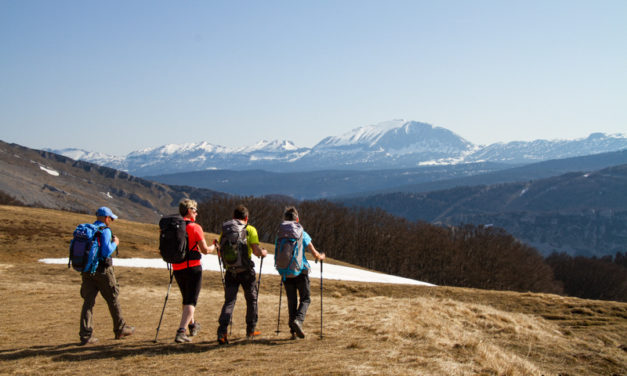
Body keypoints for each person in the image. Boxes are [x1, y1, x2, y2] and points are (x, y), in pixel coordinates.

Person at [79, 207, 134, 345]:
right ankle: (120, 329)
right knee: (112, 298)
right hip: (102, 270)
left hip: (87, 271)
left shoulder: (88, 230)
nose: (111, 221)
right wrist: (115, 243)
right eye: (111, 218)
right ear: (106, 218)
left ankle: (86, 335)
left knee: (88, 303)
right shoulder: (105, 231)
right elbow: (105, 252)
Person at [217, 204, 267, 344]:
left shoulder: (226, 230)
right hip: (246, 271)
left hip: (230, 271)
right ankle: (250, 329)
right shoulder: (250, 229)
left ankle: (222, 332)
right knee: (251, 299)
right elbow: (256, 252)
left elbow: (221, 249)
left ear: (233, 217)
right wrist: (263, 253)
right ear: (246, 218)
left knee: (229, 301)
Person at [172, 199, 217, 343]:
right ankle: (181, 331)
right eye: (195, 210)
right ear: (190, 211)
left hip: (177, 267)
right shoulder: (195, 227)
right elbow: (205, 250)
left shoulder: (174, 226)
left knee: (186, 298)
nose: (197, 213)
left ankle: (192, 325)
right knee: (191, 301)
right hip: (193, 267)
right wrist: (214, 246)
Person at [278, 206, 325, 339]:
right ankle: (298, 321)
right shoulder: (302, 233)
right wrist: (321, 257)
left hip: (286, 272)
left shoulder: (280, 234)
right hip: (301, 271)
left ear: (284, 219)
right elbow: (314, 253)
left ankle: (293, 331)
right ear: (297, 219)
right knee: (305, 298)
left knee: (291, 301)